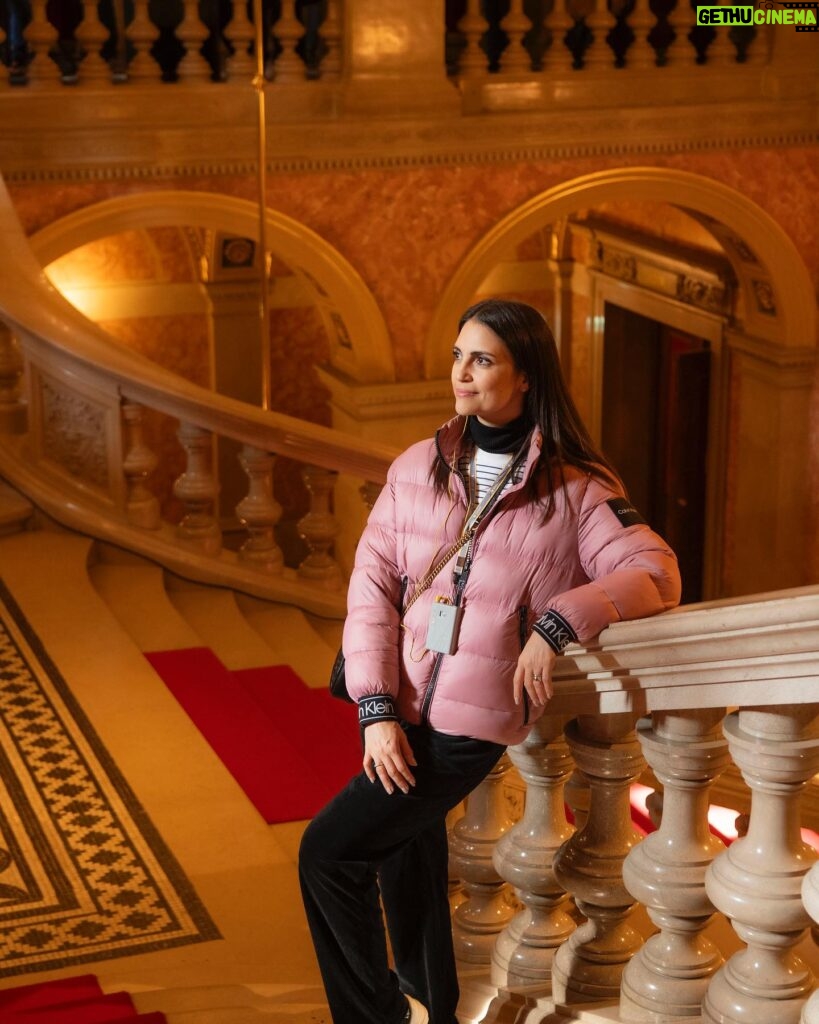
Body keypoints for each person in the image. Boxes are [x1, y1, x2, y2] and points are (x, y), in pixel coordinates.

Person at [299, 299, 682, 1024]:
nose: (461, 374)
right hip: (396, 696)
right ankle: (430, 1008)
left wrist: (560, 622)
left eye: (481, 359)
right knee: (402, 854)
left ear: (526, 375)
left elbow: (654, 572)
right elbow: (372, 585)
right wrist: (375, 707)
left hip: (469, 721)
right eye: (456, 356)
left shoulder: (574, 488)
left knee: (328, 854)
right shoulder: (419, 465)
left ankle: (374, 1016)